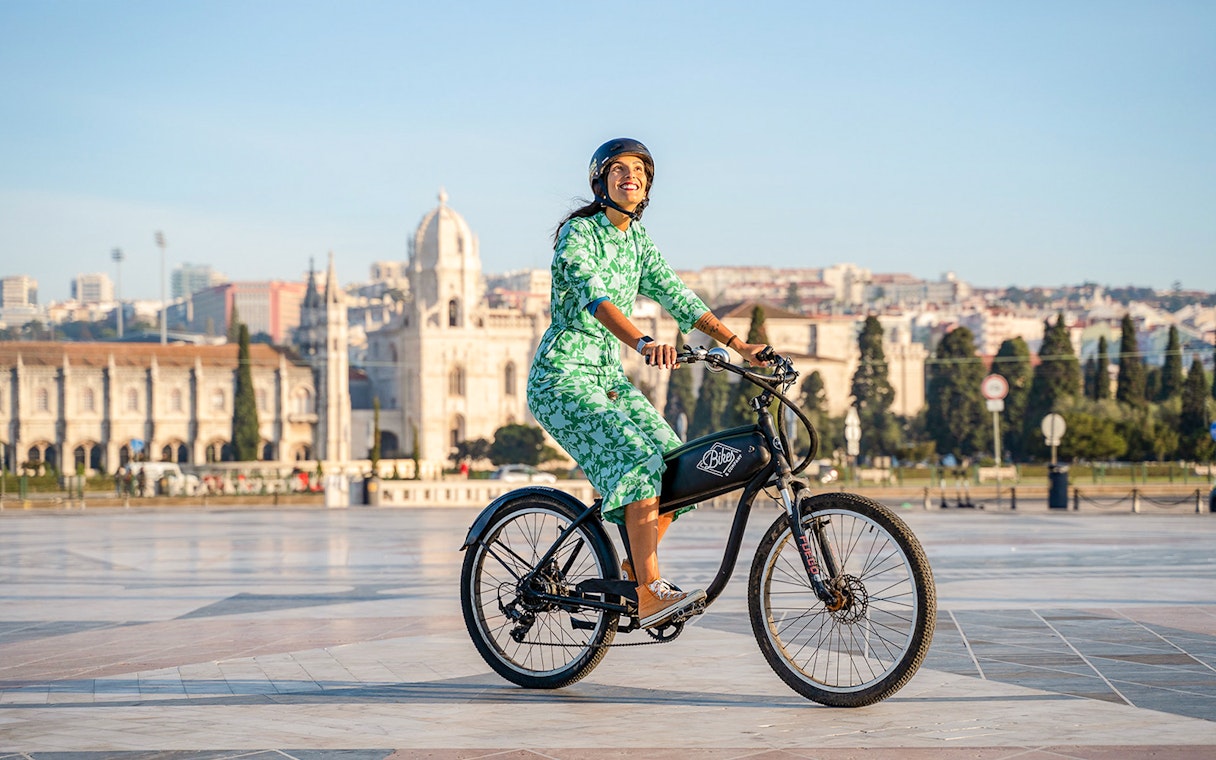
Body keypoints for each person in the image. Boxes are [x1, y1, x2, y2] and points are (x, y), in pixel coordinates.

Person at [527, 138, 768, 629]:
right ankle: (649, 590)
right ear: (601, 181)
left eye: (639, 169)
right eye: (617, 168)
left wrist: (740, 345)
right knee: (638, 460)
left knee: (678, 467)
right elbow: (597, 300)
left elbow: (678, 295)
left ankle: (632, 575)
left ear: (648, 186)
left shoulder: (637, 241)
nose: (629, 175)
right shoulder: (579, 234)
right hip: (562, 378)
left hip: (608, 379)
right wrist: (642, 342)